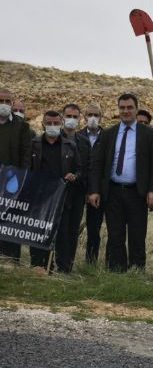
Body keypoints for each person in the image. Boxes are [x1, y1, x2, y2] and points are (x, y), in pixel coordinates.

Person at [88, 93, 153, 272]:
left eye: (129, 108)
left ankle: (136, 272)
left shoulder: (147, 134)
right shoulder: (109, 134)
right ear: (118, 109)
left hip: (137, 192)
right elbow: (98, 163)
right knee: (115, 234)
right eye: (122, 108)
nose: (126, 111)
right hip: (112, 192)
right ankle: (116, 273)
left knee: (137, 235)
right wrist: (95, 190)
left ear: (136, 109)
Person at [28, 110, 81, 270]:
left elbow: (79, 169)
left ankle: (63, 268)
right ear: (43, 124)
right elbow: (27, 169)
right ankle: (39, 265)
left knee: (62, 234)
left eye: (56, 123)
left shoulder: (70, 146)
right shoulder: (34, 144)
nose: (52, 126)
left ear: (61, 124)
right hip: (40, 199)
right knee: (38, 233)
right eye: (49, 123)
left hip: (61, 198)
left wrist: (74, 176)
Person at [59, 104, 91, 272]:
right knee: (60, 230)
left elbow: (88, 167)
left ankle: (68, 266)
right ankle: (57, 263)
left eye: (75, 116)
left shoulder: (84, 142)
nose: (71, 119)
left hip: (78, 193)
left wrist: (88, 191)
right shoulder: (54, 138)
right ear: (62, 117)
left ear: (79, 119)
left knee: (73, 230)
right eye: (68, 116)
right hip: (58, 193)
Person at [0, 93, 32, 262]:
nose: (4, 104)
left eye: (7, 101)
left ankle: (11, 261)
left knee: (11, 222)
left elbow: (26, 156)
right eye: (1, 101)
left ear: (12, 103)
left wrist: (22, 181)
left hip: (13, 184)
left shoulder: (22, 127)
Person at [80, 102, 105, 264]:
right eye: (90, 115)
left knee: (94, 229)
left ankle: (91, 261)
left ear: (101, 117)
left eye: (96, 115)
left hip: (99, 190)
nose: (93, 118)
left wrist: (96, 190)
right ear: (84, 117)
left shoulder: (107, 136)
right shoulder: (78, 136)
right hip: (79, 188)